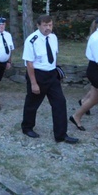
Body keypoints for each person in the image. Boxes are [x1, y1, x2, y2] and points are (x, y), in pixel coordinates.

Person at [20, 15, 78, 144]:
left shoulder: (53, 37)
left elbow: (54, 55)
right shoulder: (31, 40)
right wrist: (34, 83)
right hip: (37, 74)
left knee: (60, 103)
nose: (48, 28)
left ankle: (61, 135)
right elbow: (29, 63)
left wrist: (56, 69)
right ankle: (27, 127)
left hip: (52, 75)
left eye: (50, 25)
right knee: (32, 103)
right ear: (38, 25)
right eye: (45, 25)